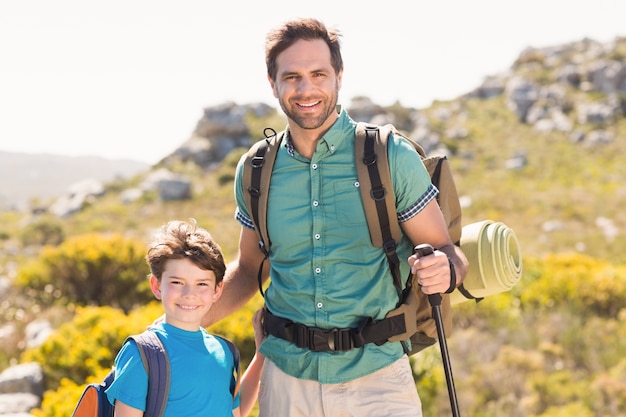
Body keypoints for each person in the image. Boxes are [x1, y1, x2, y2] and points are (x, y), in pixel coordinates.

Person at [204, 18, 469, 417]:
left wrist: (446, 270)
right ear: (272, 83)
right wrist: (178, 322)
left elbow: (451, 252)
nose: (305, 89)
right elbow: (248, 270)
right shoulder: (256, 169)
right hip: (286, 380)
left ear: (339, 76)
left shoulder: (389, 157)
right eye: (291, 76)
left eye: (318, 74)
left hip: (378, 380)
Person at [105, 219, 265, 417]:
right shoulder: (142, 354)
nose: (190, 293)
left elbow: (236, 413)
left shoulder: (224, 351)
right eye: (178, 282)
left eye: (202, 284)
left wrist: (261, 356)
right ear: (156, 286)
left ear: (217, 290)